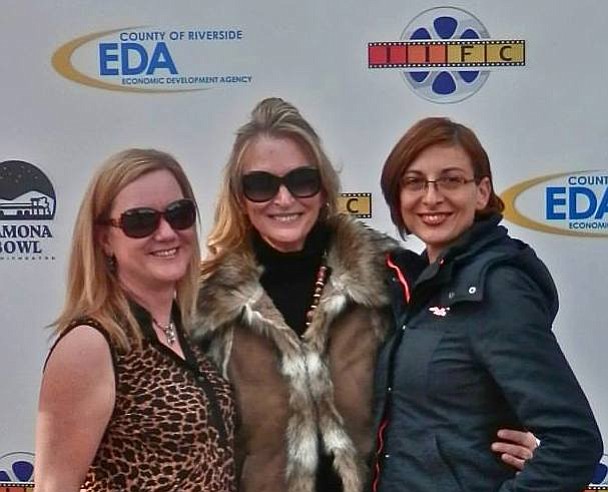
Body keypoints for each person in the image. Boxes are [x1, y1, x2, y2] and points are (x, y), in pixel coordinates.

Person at [193, 98, 537, 492]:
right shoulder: (208, 306)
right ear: (240, 197)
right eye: (261, 184)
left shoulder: (392, 275)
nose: (284, 199)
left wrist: (515, 441)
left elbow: (458, 377)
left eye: (302, 180)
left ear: (324, 189)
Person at [373, 116, 603, 491]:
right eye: (414, 182)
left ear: (481, 192)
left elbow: (574, 441)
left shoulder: (498, 286)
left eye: (451, 179)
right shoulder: (411, 285)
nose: (432, 197)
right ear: (397, 197)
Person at [34, 149, 236, 492]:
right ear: (104, 239)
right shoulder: (91, 344)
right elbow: (54, 486)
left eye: (179, 214)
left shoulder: (189, 330)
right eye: (140, 221)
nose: (167, 232)